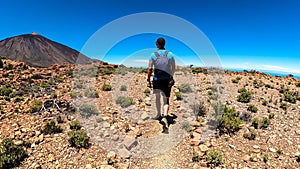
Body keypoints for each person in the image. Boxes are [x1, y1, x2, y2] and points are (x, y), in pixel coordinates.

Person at [147, 37, 176, 133]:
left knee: (157, 98)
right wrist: (171, 76)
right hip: (167, 80)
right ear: (164, 44)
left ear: (157, 44)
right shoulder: (170, 54)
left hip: (157, 80)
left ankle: (159, 114)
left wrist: (148, 79)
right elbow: (173, 67)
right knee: (166, 99)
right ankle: (165, 116)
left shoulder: (153, 55)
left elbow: (150, 69)